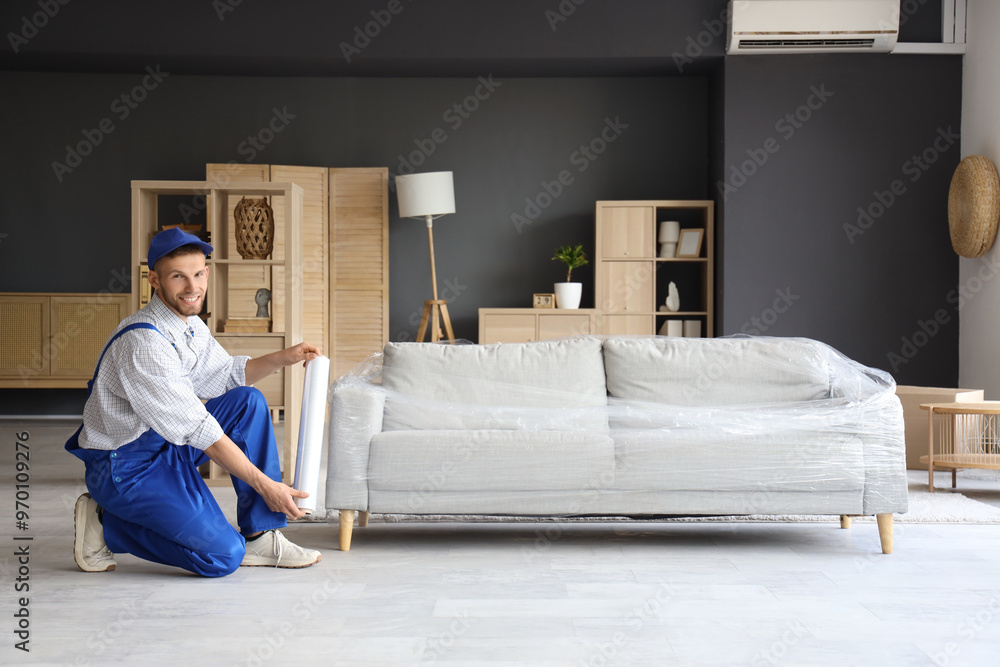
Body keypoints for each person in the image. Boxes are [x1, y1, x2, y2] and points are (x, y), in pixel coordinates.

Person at [66, 227, 323, 577]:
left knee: (246, 401)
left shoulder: (187, 324)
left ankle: (261, 534)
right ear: (154, 279)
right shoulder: (144, 342)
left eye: (199, 274)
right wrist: (267, 485)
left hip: (164, 444)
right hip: (125, 465)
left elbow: (226, 375)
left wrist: (284, 358)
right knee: (222, 557)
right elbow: (200, 430)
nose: (193, 288)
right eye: (179, 277)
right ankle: (105, 523)